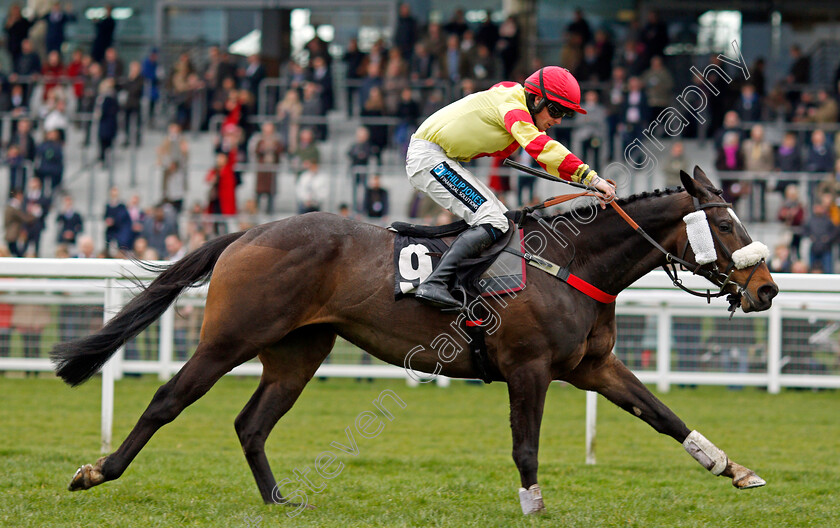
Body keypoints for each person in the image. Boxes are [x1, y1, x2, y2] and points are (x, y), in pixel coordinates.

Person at [406, 66, 614, 308]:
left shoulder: (514, 98)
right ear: (536, 99)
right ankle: (436, 283)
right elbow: (541, 148)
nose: (557, 120)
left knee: (502, 221)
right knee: (493, 220)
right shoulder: (514, 106)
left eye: (564, 114)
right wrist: (590, 177)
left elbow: (546, 159)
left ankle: (460, 284)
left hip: (440, 157)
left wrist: (588, 182)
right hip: (429, 157)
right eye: (556, 110)